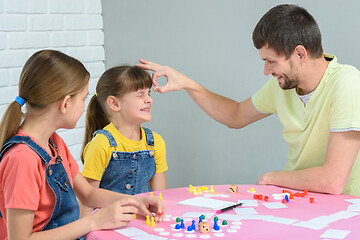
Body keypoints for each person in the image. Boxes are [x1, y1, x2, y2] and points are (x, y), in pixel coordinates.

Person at [136, 4, 360, 196]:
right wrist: (187, 84)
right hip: (298, 199)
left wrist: (270, 178)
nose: (266, 70)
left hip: (344, 208)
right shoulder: (281, 86)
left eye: (271, 61)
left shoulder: (347, 83)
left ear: (300, 54)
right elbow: (235, 115)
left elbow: (333, 180)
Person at [0, 50, 165, 240]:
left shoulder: (53, 143)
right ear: (65, 103)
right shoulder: (22, 158)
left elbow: (88, 193)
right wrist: (94, 221)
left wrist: (137, 201)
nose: (84, 106)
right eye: (83, 99)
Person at [81, 65, 167, 198]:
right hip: (107, 218)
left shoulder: (155, 142)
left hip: (143, 218)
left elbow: (159, 197)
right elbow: (87, 199)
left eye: (148, 93)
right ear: (115, 103)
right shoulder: (101, 144)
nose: (149, 99)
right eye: (140, 94)